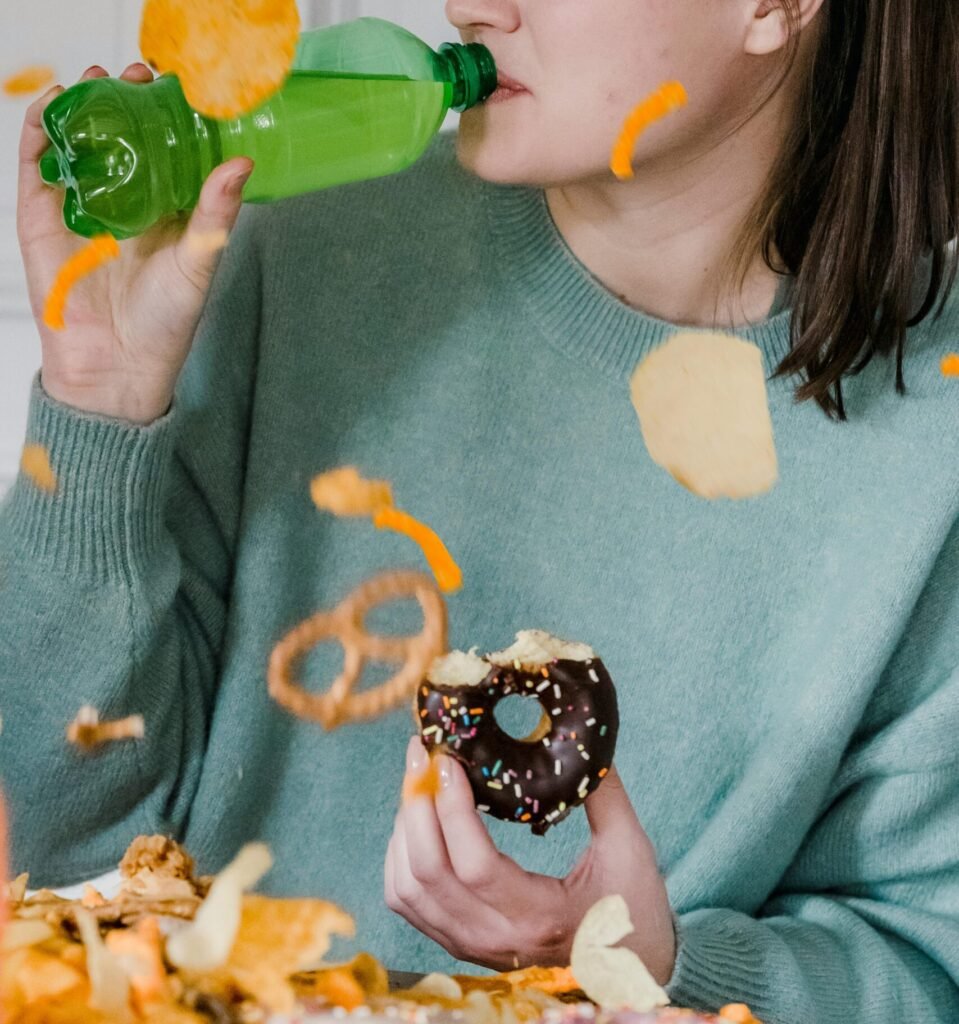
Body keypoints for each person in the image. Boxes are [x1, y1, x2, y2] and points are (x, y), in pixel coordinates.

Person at [2, 0, 958, 1020]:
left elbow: (921, 966)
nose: (469, 5)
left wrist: (648, 966)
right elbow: (68, 852)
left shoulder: (932, 435)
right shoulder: (290, 242)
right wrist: (99, 405)